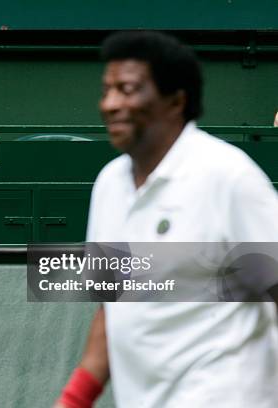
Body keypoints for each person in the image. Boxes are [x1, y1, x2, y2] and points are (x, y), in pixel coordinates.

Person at [55, 31, 278, 408]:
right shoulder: (108, 185)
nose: (110, 103)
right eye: (106, 89)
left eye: (127, 89)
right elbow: (113, 310)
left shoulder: (228, 178)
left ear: (176, 101)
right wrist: (73, 401)